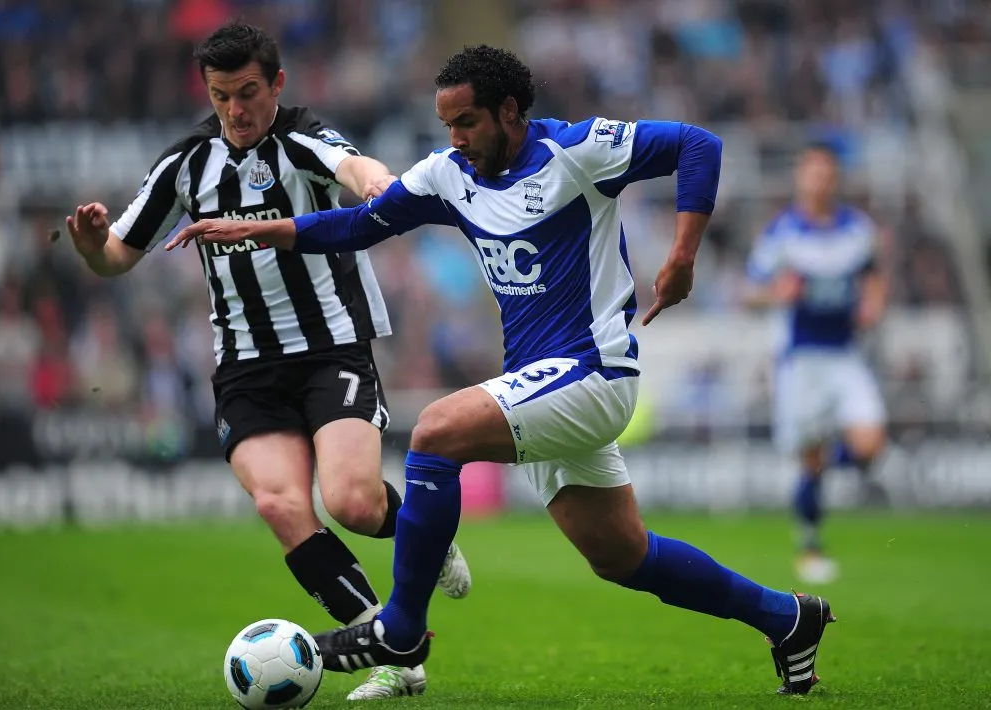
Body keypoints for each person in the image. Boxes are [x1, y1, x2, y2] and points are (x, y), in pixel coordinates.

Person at [168, 44, 836, 696]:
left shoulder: (575, 151)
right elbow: (359, 225)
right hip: (540, 384)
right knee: (622, 556)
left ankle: (400, 628)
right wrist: (263, 230)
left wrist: (683, 256)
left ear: (510, 111)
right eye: (447, 124)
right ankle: (789, 618)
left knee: (435, 431)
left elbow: (699, 146)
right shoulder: (448, 176)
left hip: (594, 372)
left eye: (467, 122)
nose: (455, 137)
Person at [64, 22, 471, 701]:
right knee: (282, 504)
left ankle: (427, 540)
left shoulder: (304, 138)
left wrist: (381, 186)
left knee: (350, 501)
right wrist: (89, 244)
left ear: (276, 84)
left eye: (249, 92)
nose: (236, 110)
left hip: (329, 347)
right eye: (222, 96)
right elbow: (114, 260)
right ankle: (393, 648)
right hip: (246, 368)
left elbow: (357, 168)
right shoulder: (185, 164)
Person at [745, 144, 889, 584]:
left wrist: (873, 304)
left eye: (827, 174)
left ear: (836, 179)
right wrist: (776, 295)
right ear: (800, 179)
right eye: (812, 173)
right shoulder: (782, 233)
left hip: (845, 354)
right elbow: (750, 292)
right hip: (800, 359)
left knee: (869, 444)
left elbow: (874, 275)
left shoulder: (858, 229)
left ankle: (825, 469)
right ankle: (809, 542)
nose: (820, 181)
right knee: (809, 458)